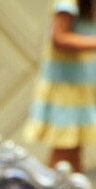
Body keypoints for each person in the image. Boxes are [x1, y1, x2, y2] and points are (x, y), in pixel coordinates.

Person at [24, 1, 96, 172]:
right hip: (66, 87)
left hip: (79, 85)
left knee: (73, 155)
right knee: (63, 158)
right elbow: (59, 37)